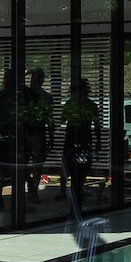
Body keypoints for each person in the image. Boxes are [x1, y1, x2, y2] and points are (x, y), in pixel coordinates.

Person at [61, 78, 102, 213]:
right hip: (84, 138)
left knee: (72, 169)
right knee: (81, 170)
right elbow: (96, 125)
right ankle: (77, 194)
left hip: (73, 138)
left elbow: (62, 120)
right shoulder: (90, 105)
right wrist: (98, 141)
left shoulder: (70, 104)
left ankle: (73, 196)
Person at [0, 68, 22, 213]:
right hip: (11, 135)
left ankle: (0, 199)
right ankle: (11, 201)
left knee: (3, 169)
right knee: (14, 169)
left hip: (5, 134)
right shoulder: (15, 97)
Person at [24, 67, 55, 203]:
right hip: (26, 133)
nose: (34, 81)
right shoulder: (24, 95)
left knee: (37, 165)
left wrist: (51, 137)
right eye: (33, 78)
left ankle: (33, 189)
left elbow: (50, 119)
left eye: (36, 79)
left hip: (37, 133)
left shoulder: (45, 98)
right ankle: (32, 187)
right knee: (25, 164)